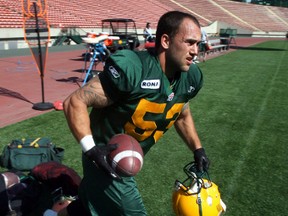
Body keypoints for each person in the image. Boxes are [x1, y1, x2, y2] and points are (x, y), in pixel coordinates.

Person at [62, 10, 210, 216]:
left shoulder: (191, 77)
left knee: (86, 208)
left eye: (197, 43)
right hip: (105, 158)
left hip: (126, 159)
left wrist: (197, 148)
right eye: (189, 42)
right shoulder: (134, 68)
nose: (195, 50)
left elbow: (181, 111)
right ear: (166, 41)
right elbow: (74, 101)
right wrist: (92, 150)